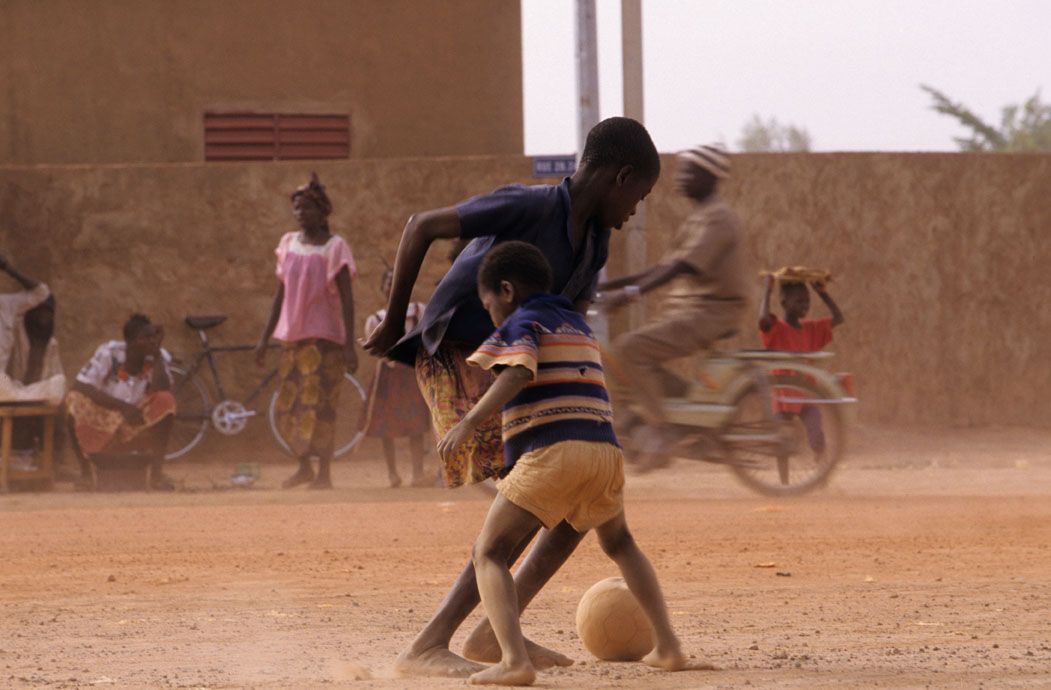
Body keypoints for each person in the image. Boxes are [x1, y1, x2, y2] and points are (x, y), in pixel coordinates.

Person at [362, 117, 660, 677]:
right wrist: (395, 317)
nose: (634, 212)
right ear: (620, 177)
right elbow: (423, 226)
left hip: (512, 366)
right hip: (456, 352)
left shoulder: (594, 245)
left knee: (579, 500)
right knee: (536, 495)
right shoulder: (530, 206)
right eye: (638, 196)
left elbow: (563, 324)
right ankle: (429, 644)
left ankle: (492, 636)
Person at [438, 242, 705, 686]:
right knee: (620, 543)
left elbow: (519, 371)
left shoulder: (523, 322)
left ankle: (513, 660)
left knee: (489, 551)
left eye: (489, 305)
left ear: (505, 290)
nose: (491, 316)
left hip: (555, 452)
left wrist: (468, 424)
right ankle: (669, 647)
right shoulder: (578, 326)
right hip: (604, 451)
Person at [601, 145, 748, 470]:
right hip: (692, 310)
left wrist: (631, 293)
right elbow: (660, 268)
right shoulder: (700, 218)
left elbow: (682, 266)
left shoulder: (718, 218)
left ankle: (661, 432)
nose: (680, 178)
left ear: (710, 178)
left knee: (631, 349)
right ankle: (683, 422)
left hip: (710, 311)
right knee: (620, 359)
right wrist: (600, 286)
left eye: (689, 172)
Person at [256, 173, 358, 490]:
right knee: (291, 404)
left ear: (322, 212)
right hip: (293, 338)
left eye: (307, 209)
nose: (301, 214)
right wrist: (264, 338)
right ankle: (303, 466)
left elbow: (346, 299)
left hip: (326, 339)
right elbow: (279, 295)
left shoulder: (335, 248)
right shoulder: (288, 244)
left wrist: (349, 344)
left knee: (323, 404)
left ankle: (324, 472)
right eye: (297, 209)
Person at [66, 314, 177, 490]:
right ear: (130, 342)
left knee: (166, 401)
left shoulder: (157, 356)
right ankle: (86, 474)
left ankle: (157, 475)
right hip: (104, 416)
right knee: (73, 400)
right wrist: (123, 407)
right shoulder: (109, 353)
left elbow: (163, 388)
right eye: (145, 338)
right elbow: (81, 385)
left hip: (136, 420)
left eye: (152, 338)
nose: (150, 342)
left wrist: (156, 355)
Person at [758, 270, 845, 453]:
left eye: (807, 301)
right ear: (783, 303)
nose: (805, 305)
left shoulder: (810, 329)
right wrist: (767, 290)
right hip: (783, 396)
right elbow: (763, 320)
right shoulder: (777, 329)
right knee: (782, 445)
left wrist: (822, 293)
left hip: (806, 396)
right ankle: (785, 480)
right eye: (799, 301)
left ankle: (819, 472)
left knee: (817, 436)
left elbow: (838, 318)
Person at [361, 268, 431, 488]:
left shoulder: (419, 311)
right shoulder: (375, 319)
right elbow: (373, 348)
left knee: (416, 424)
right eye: (388, 283)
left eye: (397, 282)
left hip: (411, 374)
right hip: (388, 376)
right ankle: (392, 474)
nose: (392, 287)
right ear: (383, 288)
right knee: (385, 427)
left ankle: (417, 472)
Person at [0, 255, 64, 403]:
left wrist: (9, 269)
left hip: (2, 384)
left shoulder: (6, 305)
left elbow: (42, 293)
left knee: (58, 384)